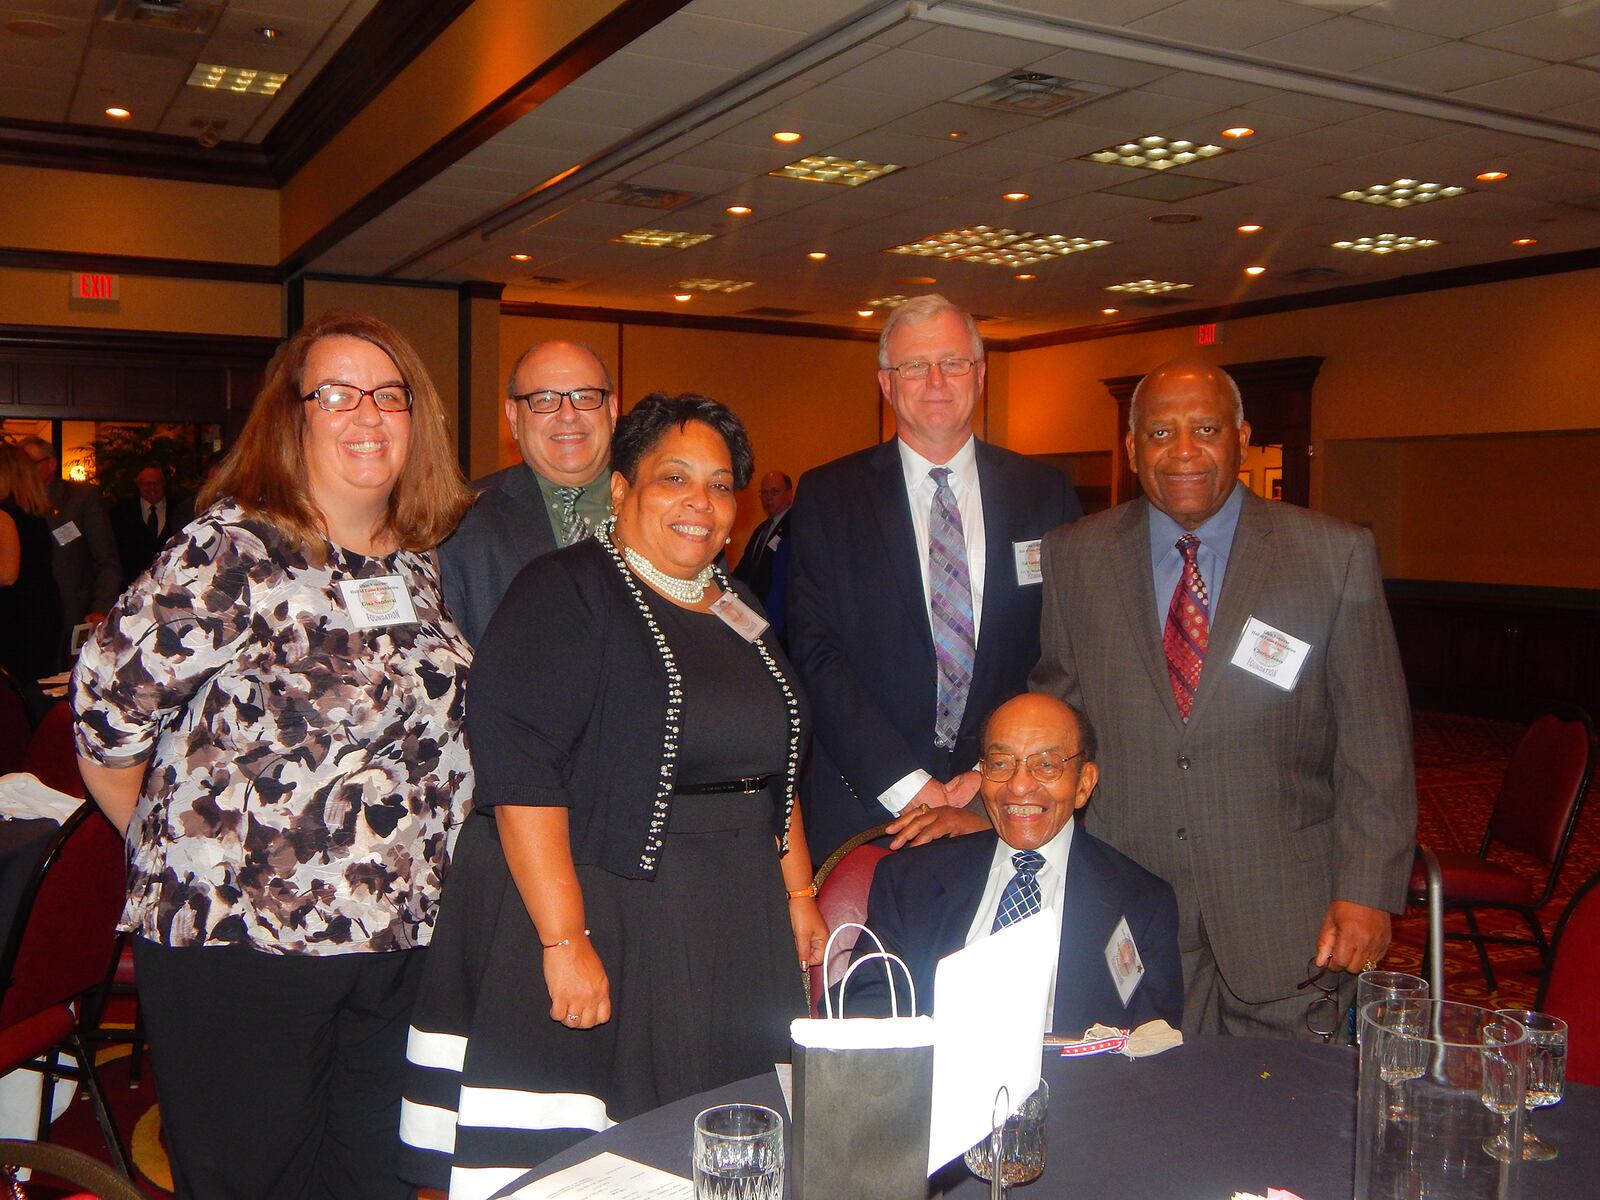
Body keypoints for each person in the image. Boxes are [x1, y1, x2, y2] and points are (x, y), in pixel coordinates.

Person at [70, 311, 476, 1200]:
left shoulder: (416, 563)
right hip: (248, 945)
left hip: (393, 939)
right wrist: (174, 846)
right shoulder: (235, 548)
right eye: (335, 392)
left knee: (371, 1179)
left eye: (389, 394)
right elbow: (105, 711)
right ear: (291, 420)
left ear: (418, 421)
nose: (366, 414)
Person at [401, 393, 826, 1200]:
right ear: (622, 491)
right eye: (673, 478)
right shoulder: (566, 590)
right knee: (599, 1165)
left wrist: (798, 891)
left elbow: (777, 767)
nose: (699, 503)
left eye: (720, 484)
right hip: (608, 908)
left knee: (726, 1148)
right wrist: (563, 944)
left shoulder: (739, 606)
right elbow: (520, 770)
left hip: (734, 916)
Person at [1030, 357, 1415, 1040]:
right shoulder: (1075, 557)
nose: (1183, 451)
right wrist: (983, 800)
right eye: (1159, 433)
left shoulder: (1333, 555)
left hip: (1288, 915)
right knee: (1154, 1123)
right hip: (1136, 905)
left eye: (1205, 428)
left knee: (1283, 1127)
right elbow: (1058, 719)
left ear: (1242, 437)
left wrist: (1368, 890)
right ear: (1131, 448)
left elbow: (1375, 743)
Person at [787, 294, 1082, 860]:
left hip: (1009, 798)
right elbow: (814, 652)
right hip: (867, 805)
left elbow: (1063, 654)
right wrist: (907, 784)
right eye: (913, 366)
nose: (936, 381)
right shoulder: (830, 496)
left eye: (953, 362)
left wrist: (989, 770)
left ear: (980, 375)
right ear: (886, 383)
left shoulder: (1045, 495)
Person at [842, 693, 1182, 1036]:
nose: (1019, 786)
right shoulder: (910, 880)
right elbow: (866, 1002)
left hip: (1077, 1085)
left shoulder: (1141, 903)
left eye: (1047, 764)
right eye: (1001, 763)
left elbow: (1150, 1045)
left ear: (1083, 784)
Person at [438, 339, 617, 645]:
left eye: (585, 397)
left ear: (612, 410)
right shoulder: (459, 521)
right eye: (544, 399)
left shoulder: (670, 512)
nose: (568, 414)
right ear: (513, 418)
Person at [18, 435, 118, 667]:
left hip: (73, 615)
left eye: (29, 464)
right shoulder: (16, 504)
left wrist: (101, 607)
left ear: (50, 464)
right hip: (28, 617)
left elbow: (106, 559)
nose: (23, 471)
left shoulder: (80, 498)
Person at [0, 443, 64, 680]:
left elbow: (7, 574)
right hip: (40, 611)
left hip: (16, 618)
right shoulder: (33, 513)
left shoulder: (4, 514)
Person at [110, 463, 193, 588]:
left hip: (170, 585)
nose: (152, 488)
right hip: (132, 586)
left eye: (156, 483)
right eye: (146, 484)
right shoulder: (121, 512)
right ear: (138, 485)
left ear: (164, 484)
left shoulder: (181, 510)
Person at [732, 469, 792, 609]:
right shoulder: (761, 530)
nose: (768, 498)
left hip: (780, 608)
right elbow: (745, 568)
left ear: (789, 493)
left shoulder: (795, 525)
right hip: (755, 605)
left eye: (774, 492)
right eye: (764, 493)